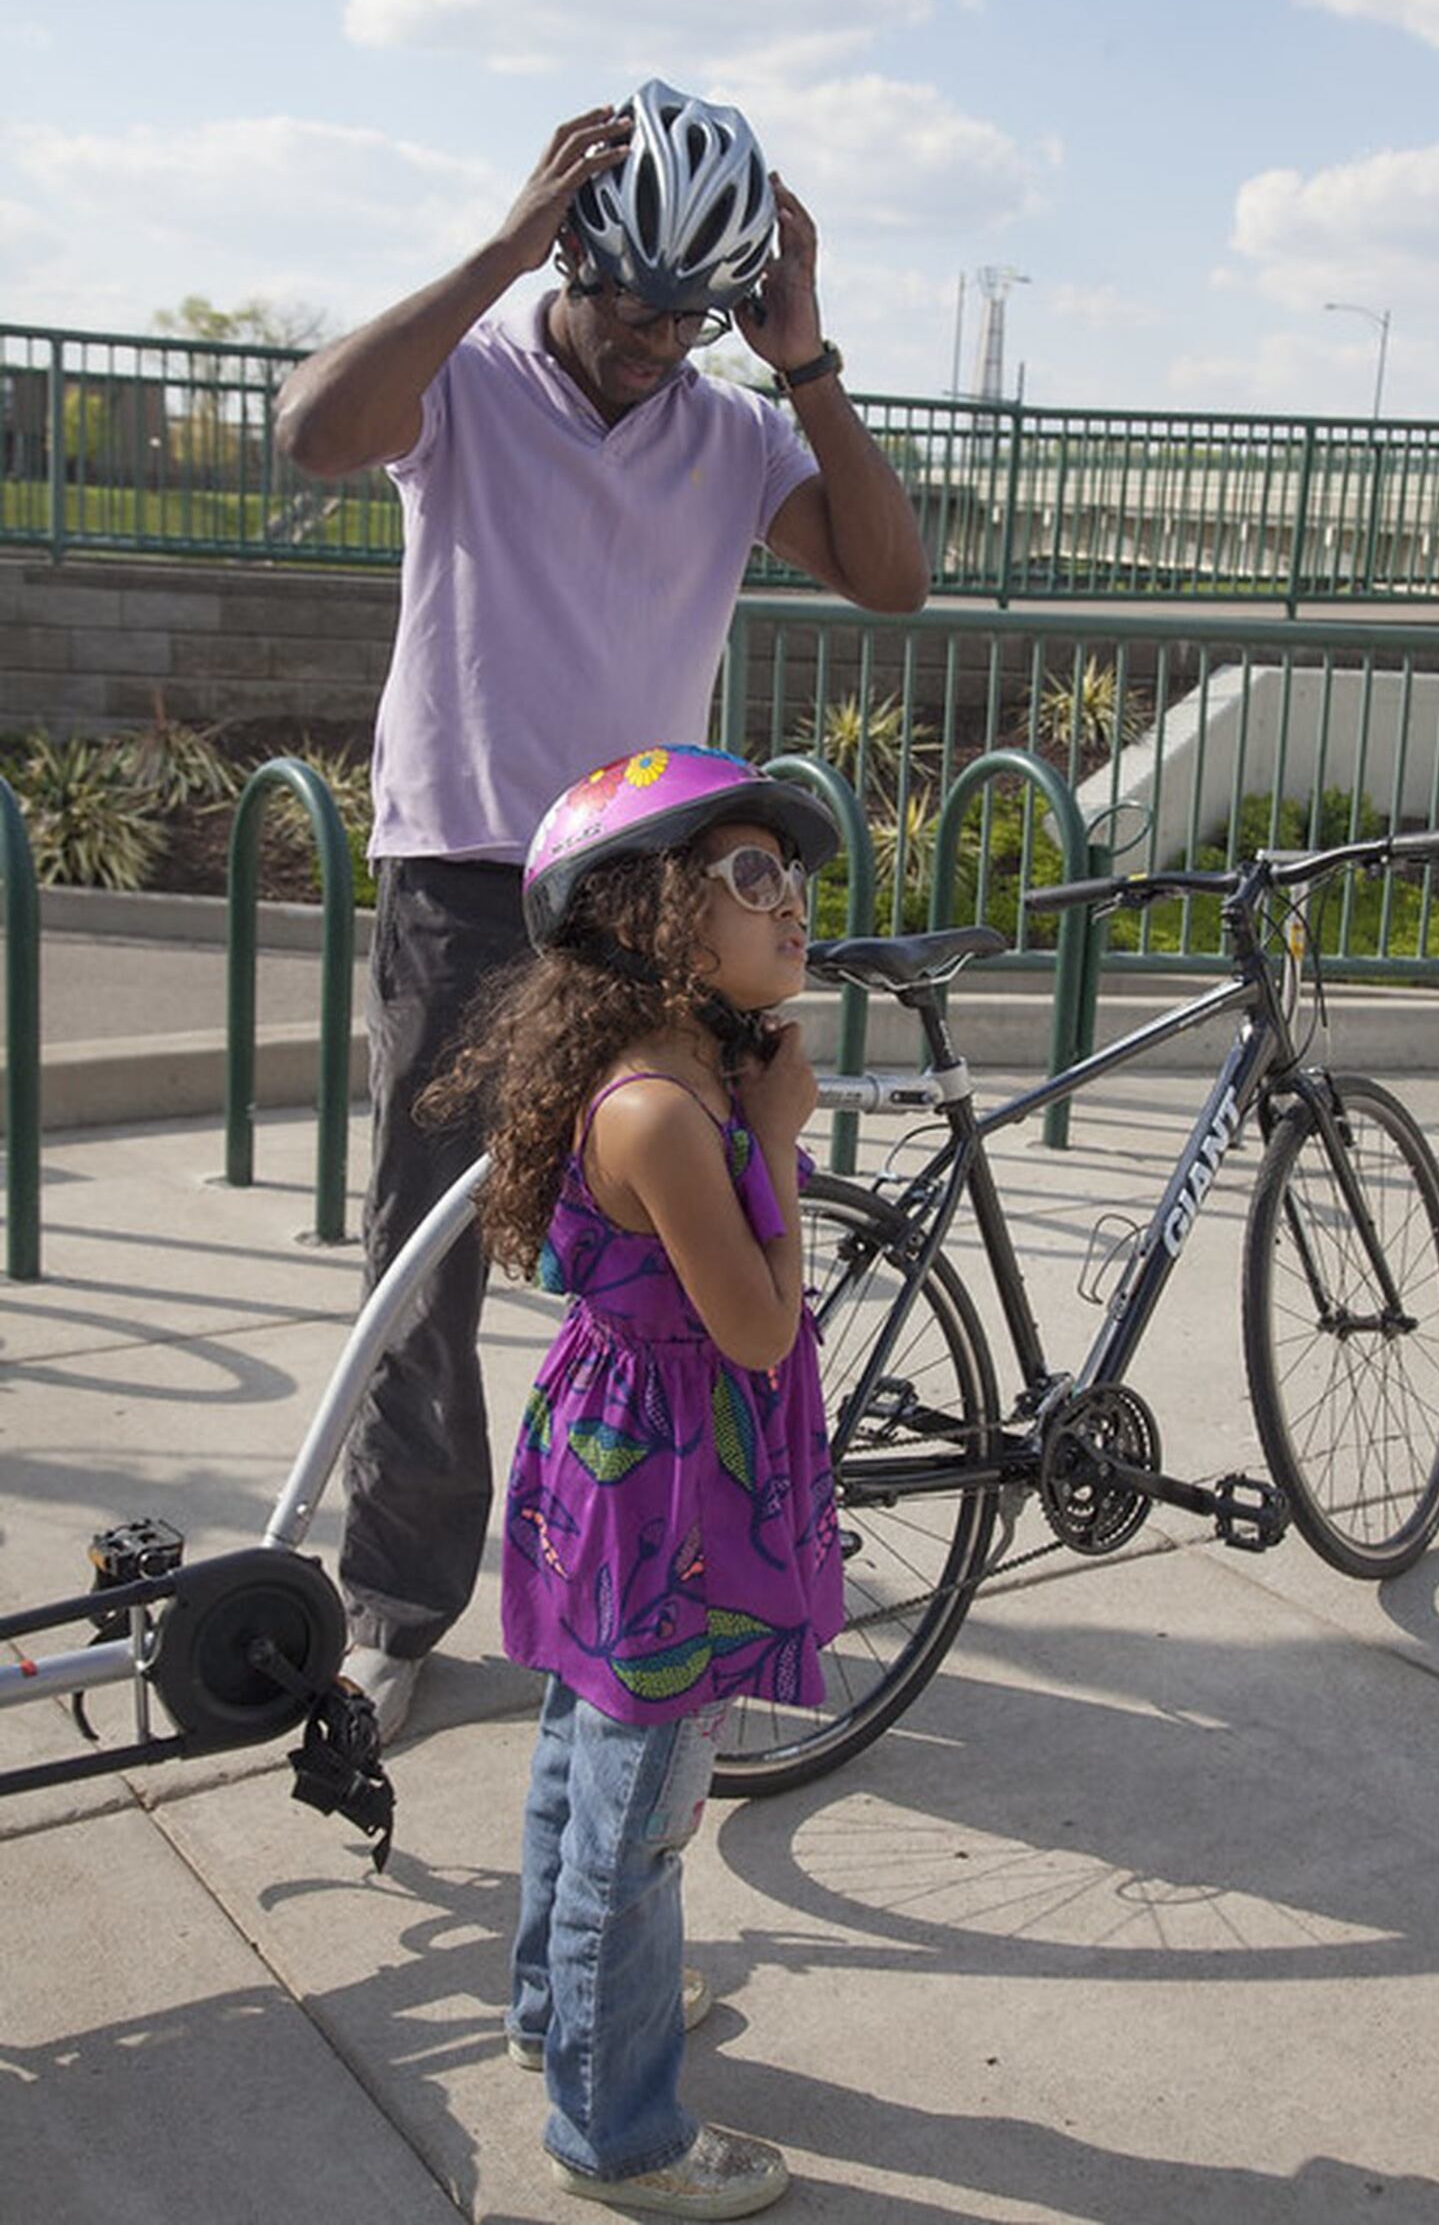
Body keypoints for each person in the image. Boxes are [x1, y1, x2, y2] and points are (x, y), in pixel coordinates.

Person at [273, 81, 928, 1740]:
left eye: (688, 315)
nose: (653, 340)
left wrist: (803, 359)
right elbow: (309, 432)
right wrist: (492, 254)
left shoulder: (730, 429)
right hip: (469, 878)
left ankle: (670, 1582)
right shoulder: (471, 389)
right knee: (422, 1259)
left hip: (645, 900)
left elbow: (890, 575)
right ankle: (402, 1600)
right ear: (573, 242)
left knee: (669, 1251)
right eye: (632, 299)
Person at [419, 743, 843, 2220]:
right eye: (748, 873)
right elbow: (761, 1324)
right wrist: (780, 1146)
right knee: (644, 1813)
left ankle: (563, 2003)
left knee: (580, 1755)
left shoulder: (664, 1068)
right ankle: (619, 2129)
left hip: (625, 1466)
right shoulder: (665, 1108)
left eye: (791, 874)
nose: (790, 902)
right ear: (655, 909)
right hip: (665, 1496)